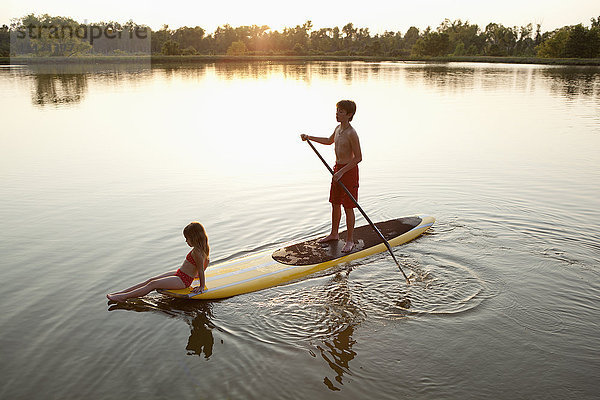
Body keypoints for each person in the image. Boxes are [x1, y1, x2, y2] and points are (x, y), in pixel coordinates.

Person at [301, 100, 362, 253]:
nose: (337, 114)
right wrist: (309, 137)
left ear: (349, 115)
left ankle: (350, 240)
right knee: (335, 203)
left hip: (349, 172)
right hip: (337, 169)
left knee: (348, 206)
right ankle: (334, 234)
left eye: (341, 112)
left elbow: (358, 158)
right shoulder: (338, 129)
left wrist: (342, 172)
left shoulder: (351, 133)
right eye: (337, 111)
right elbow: (329, 141)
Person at [106, 222, 210, 302]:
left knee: (153, 284)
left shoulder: (197, 252)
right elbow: (204, 265)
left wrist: (201, 286)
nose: (186, 241)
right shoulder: (201, 250)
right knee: (151, 280)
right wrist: (195, 274)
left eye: (187, 239)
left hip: (183, 280)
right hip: (180, 274)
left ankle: (123, 297)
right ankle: (121, 292)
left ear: (194, 238)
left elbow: (201, 270)